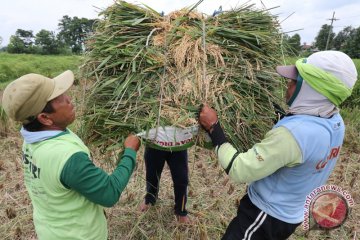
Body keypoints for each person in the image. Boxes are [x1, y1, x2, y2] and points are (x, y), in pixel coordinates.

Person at [198, 50, 358, 240]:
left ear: (311, 90)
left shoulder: (294, 134)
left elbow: (239, 169)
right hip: (291, 213)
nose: (288, 86)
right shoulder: (335, 121)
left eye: (295, 82)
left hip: (264, 215)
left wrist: (214, 128)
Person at [1, 70, 141, 240]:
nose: (69, 99)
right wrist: (130, 152)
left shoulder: (31, 139)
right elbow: (109, 193)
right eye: (59, 98)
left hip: (50, 230)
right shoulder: (67, 157)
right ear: (45, 118)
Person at [139, 146, 190, 223]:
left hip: (178, 144)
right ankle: (150, 199)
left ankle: (181, 210)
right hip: (155, 142)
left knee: (181, 178)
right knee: (152, 174)